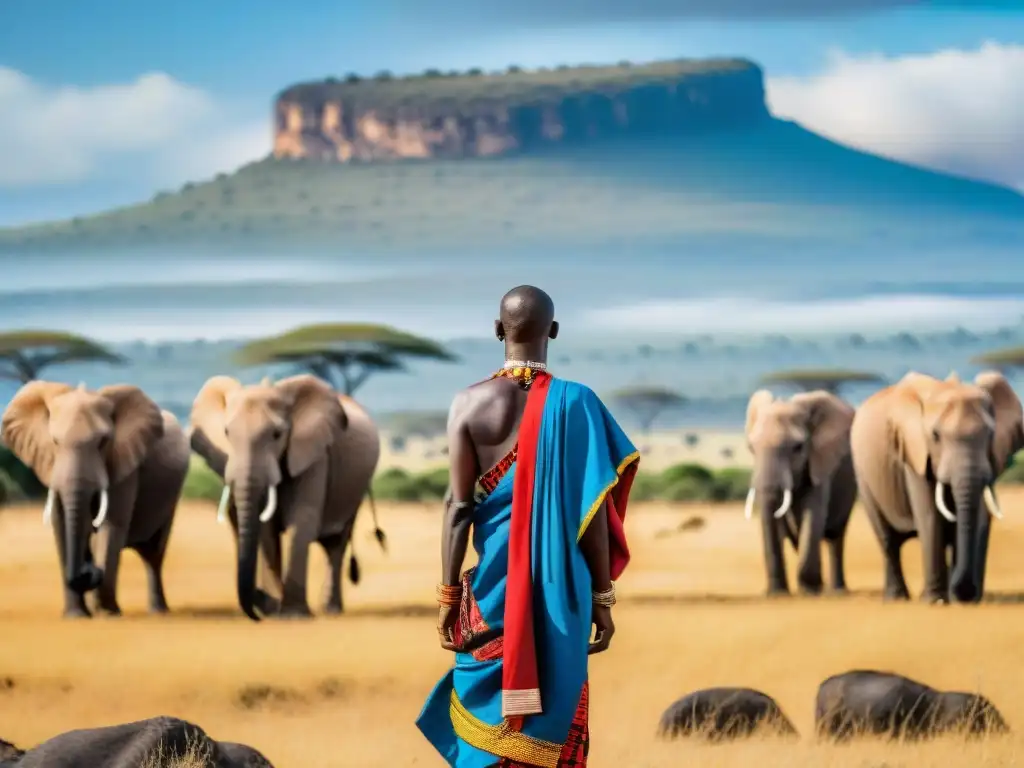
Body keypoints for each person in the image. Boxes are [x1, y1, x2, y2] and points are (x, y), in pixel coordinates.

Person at [416, 285, 640, 768]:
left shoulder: (468, 405)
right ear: (553, 333)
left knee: (486, 720)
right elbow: (594, 513)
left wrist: (448, 598)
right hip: (564, 598)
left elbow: (457, 508)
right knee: (557, 721)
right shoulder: (579, 403)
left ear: (498, 330)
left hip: (491, 596)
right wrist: (602, 598)